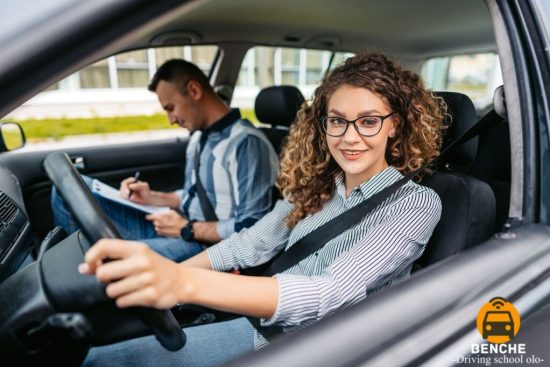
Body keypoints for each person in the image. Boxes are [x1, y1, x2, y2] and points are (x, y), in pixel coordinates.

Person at [80, 53, 445, 366]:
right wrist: (171, 274)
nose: (349, 137)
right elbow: (250, 244)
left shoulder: (414, 203)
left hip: (316, 348)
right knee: (100, 354)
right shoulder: (317, 185)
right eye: (337, 120)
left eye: (368, 121)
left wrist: (182, 283)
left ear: (394, 125)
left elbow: (328, 293)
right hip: (260, 322)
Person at [51, 59, 279, 262]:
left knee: (108, 259)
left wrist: (188, 229)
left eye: (170, 108)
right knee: (68, 189)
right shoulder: (199, 137)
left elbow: (252, 226)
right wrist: (153, 197)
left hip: (205, 246)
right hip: (178, 226)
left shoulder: (246, 144)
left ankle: (77, 279)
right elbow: (193, 196)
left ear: (194, 90)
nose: (171, 120)